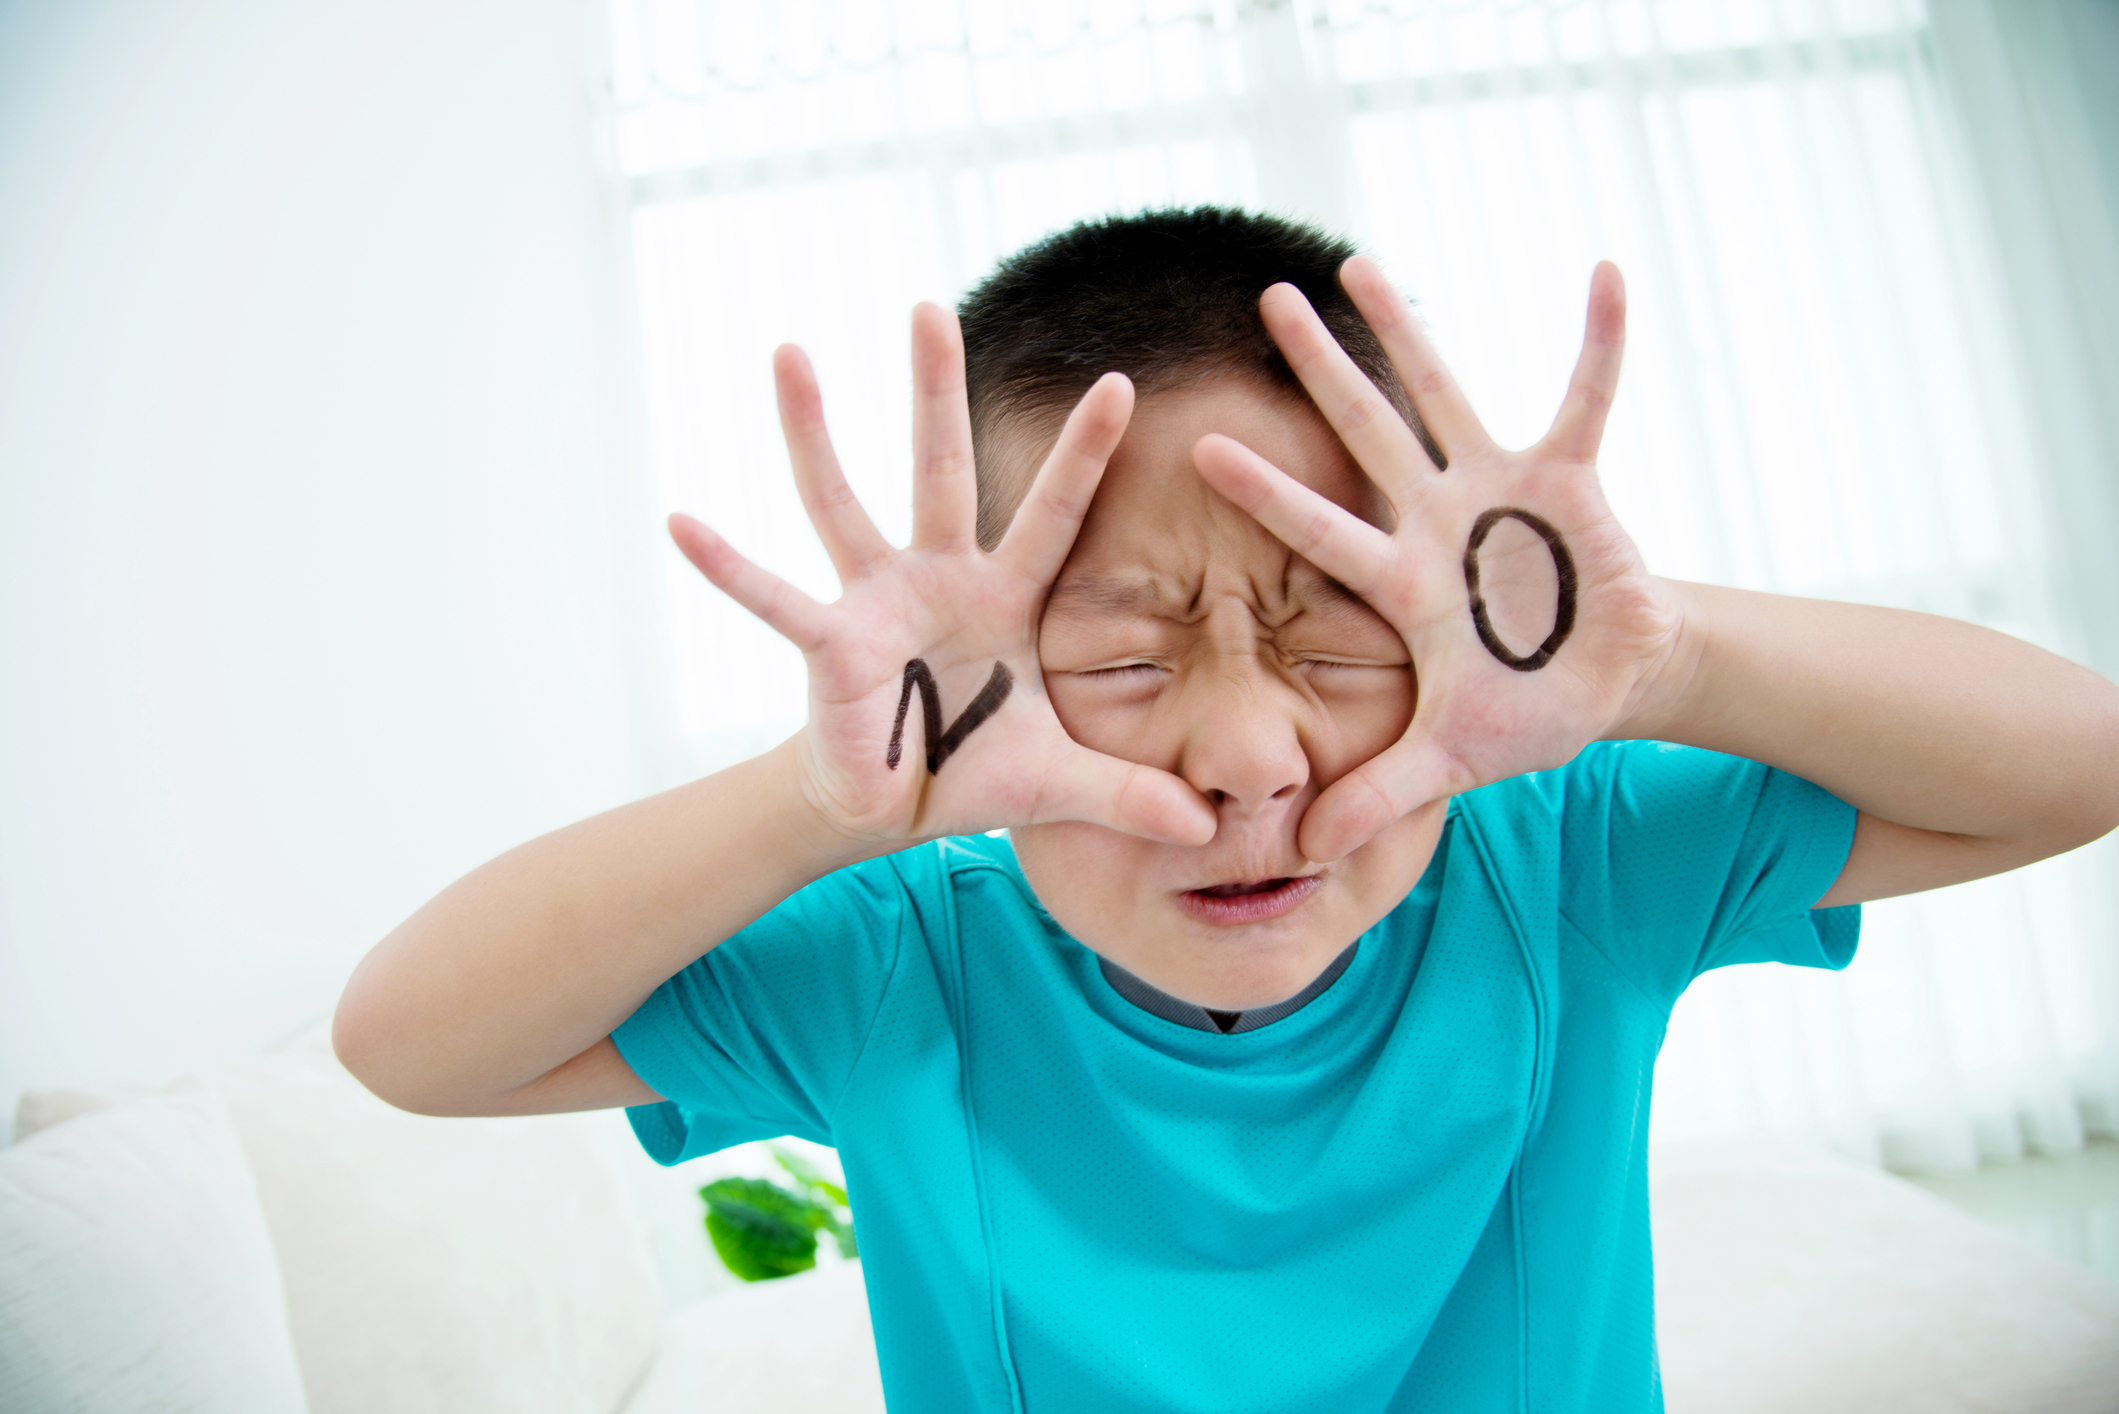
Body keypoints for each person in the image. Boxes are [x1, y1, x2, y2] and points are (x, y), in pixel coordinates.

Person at [332, 208, 2119, 1412]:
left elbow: (2079, 756)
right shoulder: (906, 962)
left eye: (1336, 629)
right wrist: (815, 802)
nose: (1252, 753)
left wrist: (1666, 666)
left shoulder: (1550, 860)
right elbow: (407, 1039)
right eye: (1122, 656)